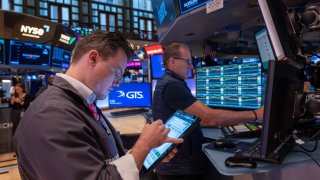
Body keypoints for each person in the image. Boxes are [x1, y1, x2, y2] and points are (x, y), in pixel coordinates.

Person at [14, 31, 183, 180]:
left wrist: (145, 154)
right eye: (117, 73)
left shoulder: (81, 102)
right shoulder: (50, 114)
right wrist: (143, 145)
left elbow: (106, 161)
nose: (117, 84)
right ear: (93, 58)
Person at [152, 43, 264, 180]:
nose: (191, 66)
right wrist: (255, 115)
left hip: (175, 165)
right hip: (179, 169)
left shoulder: (167, 81)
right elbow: (209, 118)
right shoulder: (172, 85)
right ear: (172, 61)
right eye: (187, 62)